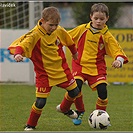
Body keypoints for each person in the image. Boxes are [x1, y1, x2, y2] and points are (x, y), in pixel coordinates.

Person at [8, 6, 80, 131]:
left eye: (56, 25)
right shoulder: (35, 34)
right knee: (40, 102)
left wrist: (74, 53)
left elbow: (69, 41)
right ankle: (30, 125)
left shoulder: (59, 30)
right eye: (51, 25)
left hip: (62, 70)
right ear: (43, 21)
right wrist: (18, 54)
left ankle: (64, 108)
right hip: (44, 75)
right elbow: (23, 44)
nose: (53, 28)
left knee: (75, 92)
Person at [67, 3, 128, 125]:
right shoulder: (82, 29)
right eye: (96, 18)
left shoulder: (106, 36)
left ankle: (100, 118)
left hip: (97, 67)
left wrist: (118, 60)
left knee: (103, 91)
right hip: (80, 64)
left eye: (101, 19)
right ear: (91, 17)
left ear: (107, 18)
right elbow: (66, 37)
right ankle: (79, 111)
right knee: (76, 87)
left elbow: (117, 50)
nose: (98, 21)